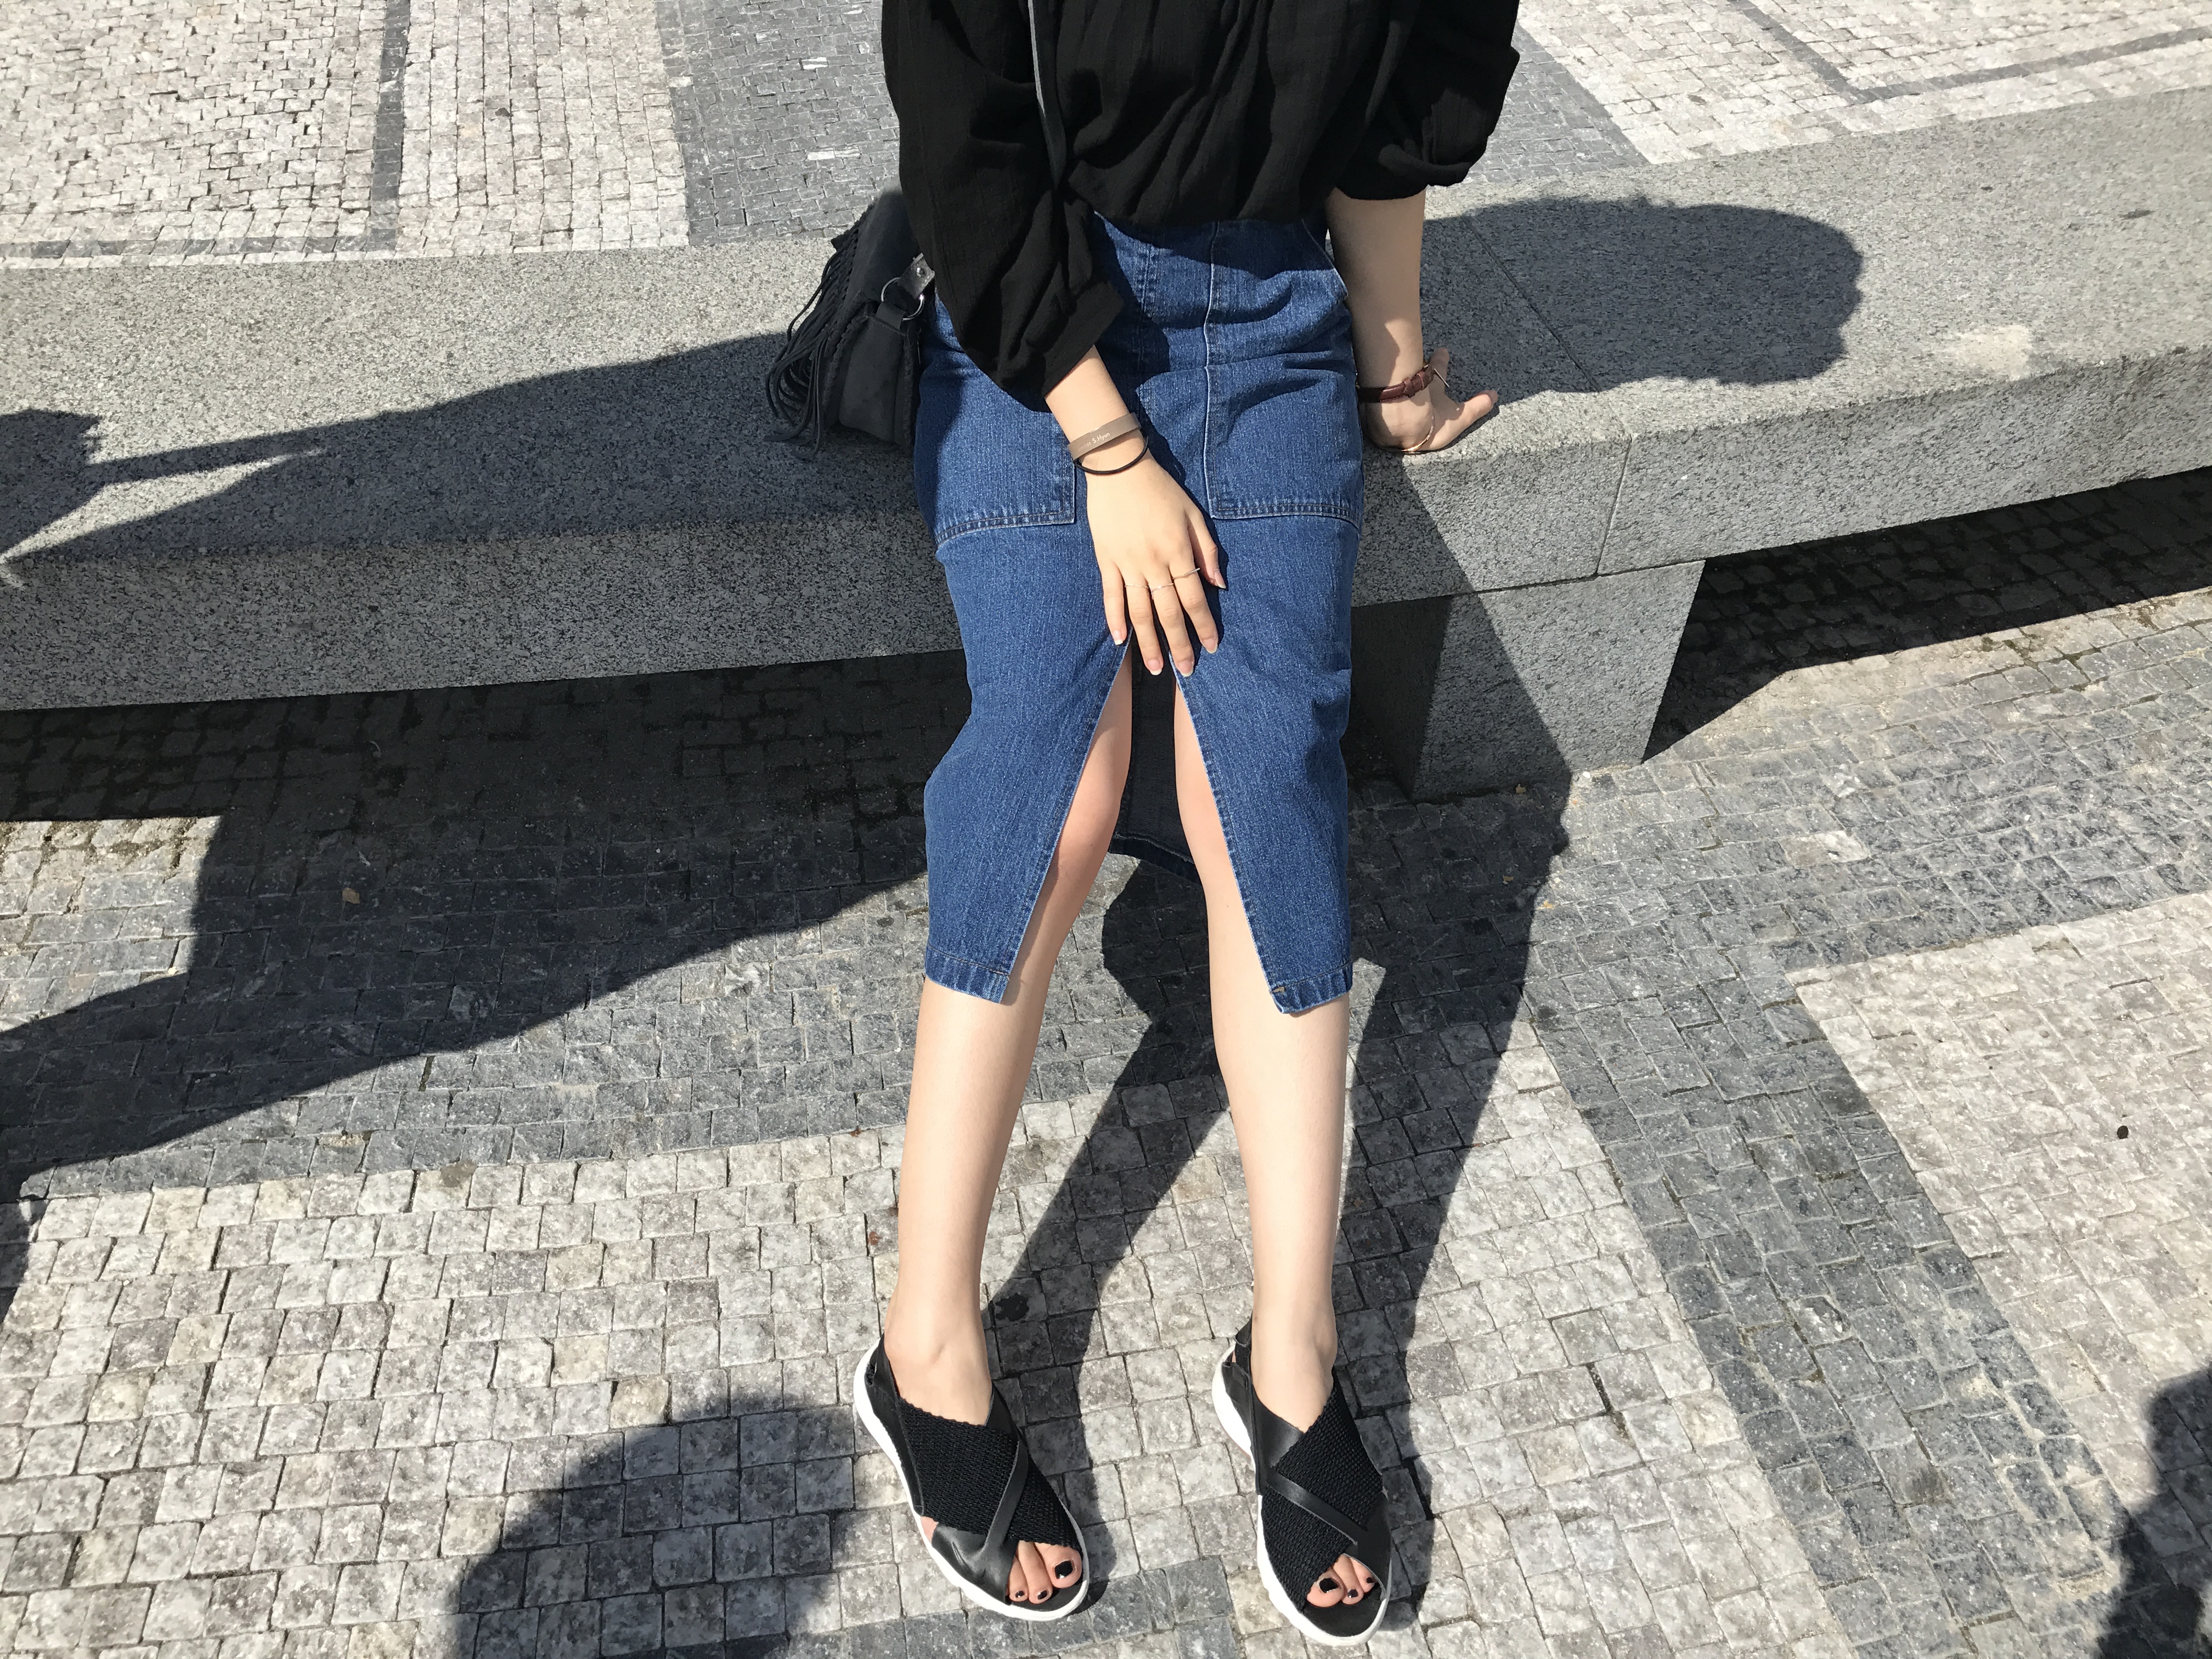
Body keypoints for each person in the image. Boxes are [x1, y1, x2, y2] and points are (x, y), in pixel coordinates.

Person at [855, 0, 1518, 1641]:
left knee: (1267, 783)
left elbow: (1392, 117)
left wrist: (1390, 362)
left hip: (1277, 315)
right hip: (1032, 323)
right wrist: (1110, 452)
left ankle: (1292, 1356)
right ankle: (925, 1343)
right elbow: (967, 147)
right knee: (1053, 776)